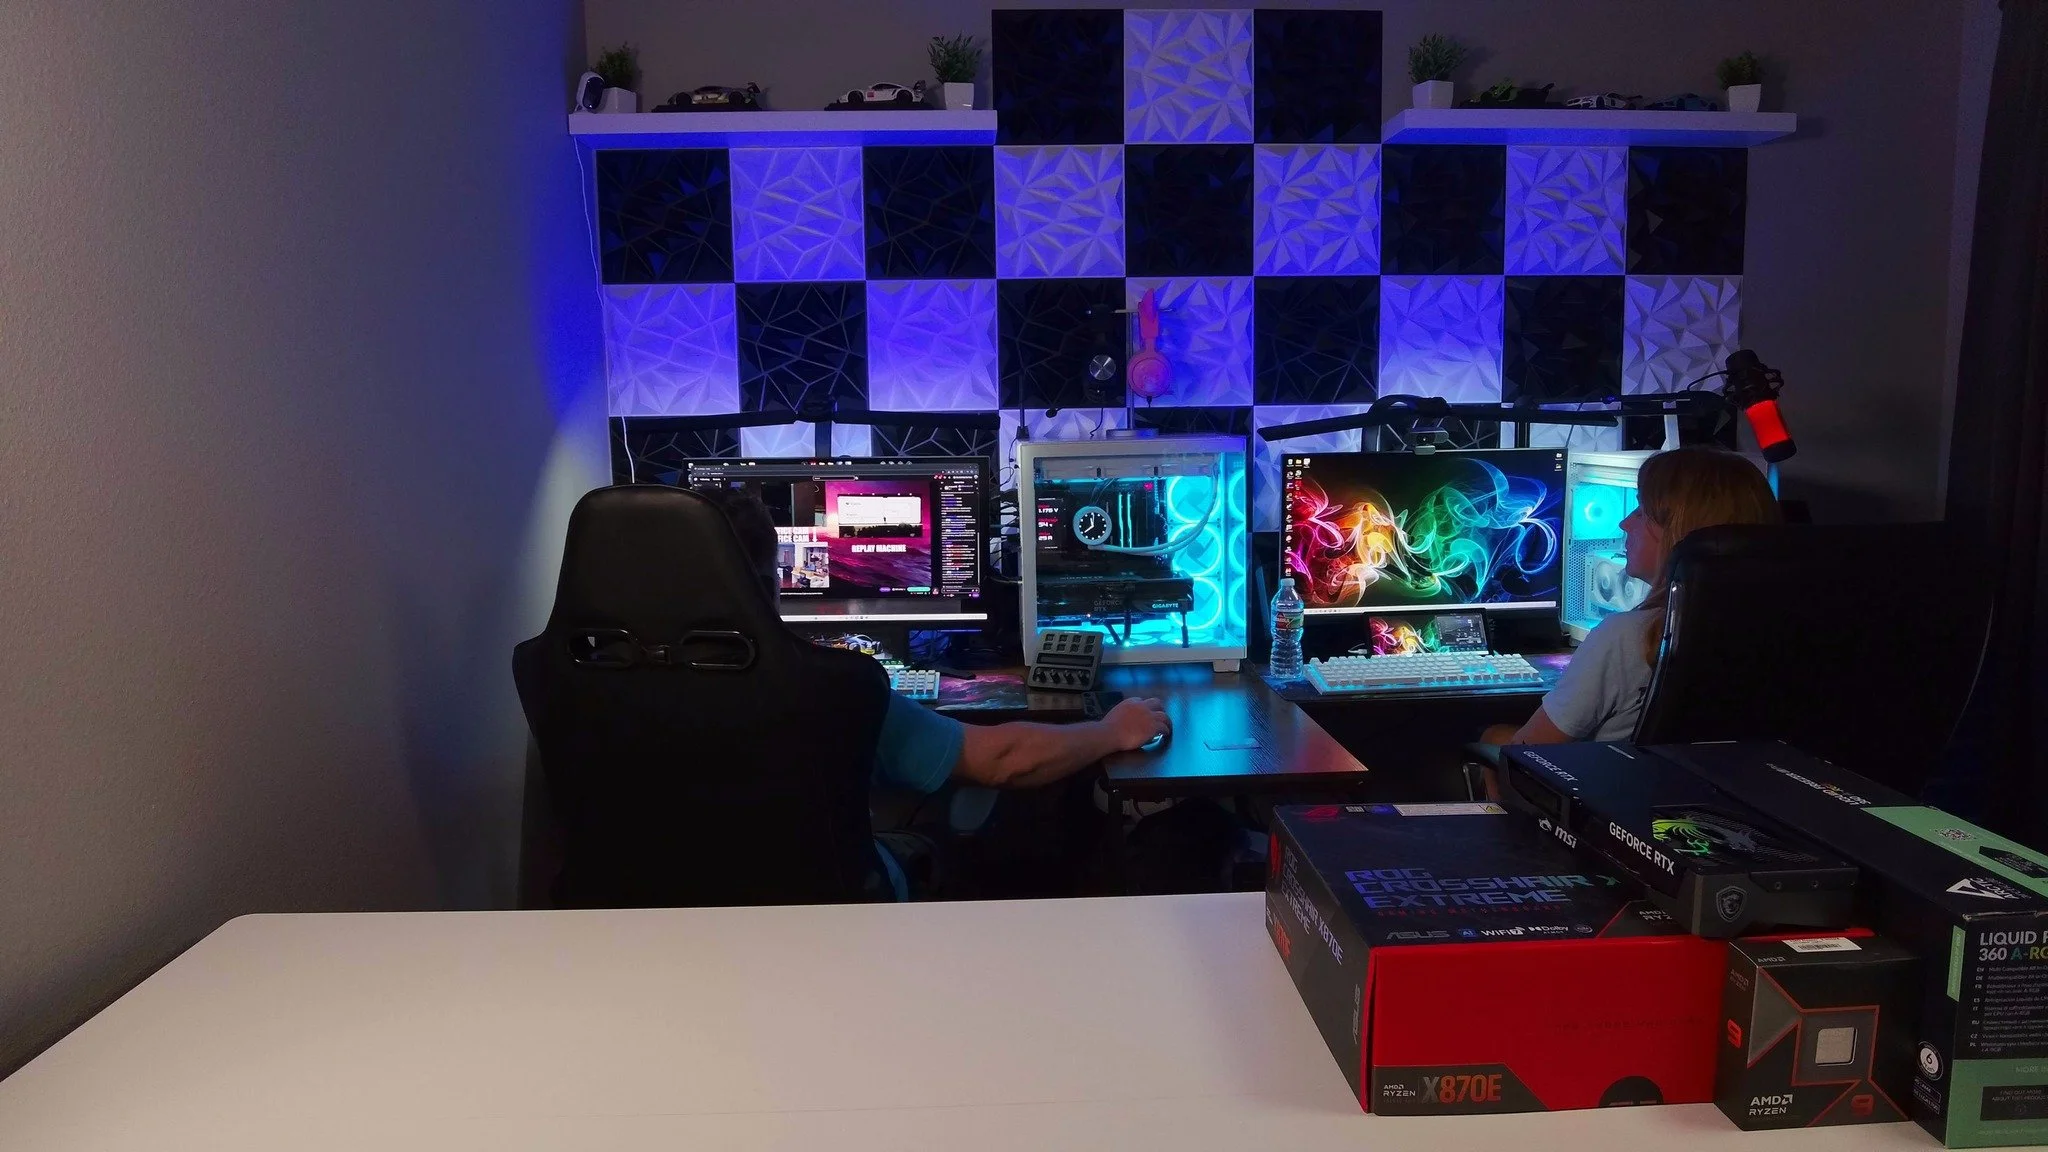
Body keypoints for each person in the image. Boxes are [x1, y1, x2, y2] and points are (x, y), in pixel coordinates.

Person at [693, 485, 1173, 797]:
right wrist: (1112, 731)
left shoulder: (620, 690)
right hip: (837, 925)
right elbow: (1000, 761)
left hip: (649, 938)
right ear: (770, 582)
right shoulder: (833, 689)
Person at [1485, 446, 1781, 747]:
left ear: (1678, 532)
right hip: (1713, 789)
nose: (1624, 524)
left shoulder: (1628, 636)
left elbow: (1530, 751)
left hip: (1611, 790)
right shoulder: (1780, 631)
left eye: (1641, 512)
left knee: (1494, 738)